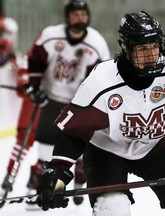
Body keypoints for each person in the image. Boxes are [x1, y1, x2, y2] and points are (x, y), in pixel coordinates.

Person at [36, 11, 165, 216]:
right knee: (113, 209)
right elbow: (73, 131)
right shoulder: (101, 82)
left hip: (154, 148)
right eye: (142, 49)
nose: (151, 56)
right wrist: (58, 172)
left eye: (154, 47)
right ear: (126, 49)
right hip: (106, 152)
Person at [0, 0, 110, 207]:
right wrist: (32, 86)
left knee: (78, 149)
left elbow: (100, 77)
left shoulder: (97, 43)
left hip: (76, 105)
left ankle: (76, 180)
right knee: (45, 150)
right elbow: (34, 61)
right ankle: (39, 187)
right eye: (76, 15)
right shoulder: (51, 35)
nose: (80, 19)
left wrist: (90, 102)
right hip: (50, 99)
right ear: (67, 17)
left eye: (83, 15)